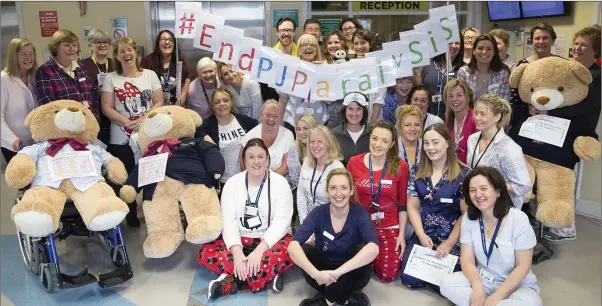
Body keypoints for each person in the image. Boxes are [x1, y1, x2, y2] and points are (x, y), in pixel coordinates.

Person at [197, 138, 294, 299]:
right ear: (244, 160)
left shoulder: (280, 183)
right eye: (251, 157)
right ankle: (268, 274)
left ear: (267, 159)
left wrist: (259, 251)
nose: (256, 162)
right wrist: (237, 253)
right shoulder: (232, 184)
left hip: (270, 242)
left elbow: (282, 221)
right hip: (240, 239)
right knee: (204, 252)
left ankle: (230, 281)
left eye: (261, 156)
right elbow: (228, 221)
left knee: (293, 249)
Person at [440, 166, 542, 306]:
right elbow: (467, 259)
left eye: (484, 188)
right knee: (447, 284)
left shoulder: (518, 219)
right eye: (473, 190)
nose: (478, 195)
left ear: (498, 192)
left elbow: (522, 267)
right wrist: (477, 288)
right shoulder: (468, 219)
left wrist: (496, 297)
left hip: (517, 287)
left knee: (531, 303)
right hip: (483, 281)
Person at [541, 25, 601, 242]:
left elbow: (580, 106)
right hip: (557, 132)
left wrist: (548, 108)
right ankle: (552, 218)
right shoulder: (571, 71)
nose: (577, 48)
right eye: (576, 43)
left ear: (596, 51)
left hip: (576, 135)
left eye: (584, 45)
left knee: (565, 180)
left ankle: (566, 227)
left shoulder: (596, 77)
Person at [288, 168, 379, 306]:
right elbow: (292, 246)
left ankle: (327, 300)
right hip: (321, 275)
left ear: (351, 191)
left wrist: (338, 273)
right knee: (305, 249)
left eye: (343, 188)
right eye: (333, 188)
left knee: (363, 249)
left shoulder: (359, 213)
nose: (338, 194)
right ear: (327, 191)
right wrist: (316, 274)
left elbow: (374, 248)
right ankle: (346, 298)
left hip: (350, 272)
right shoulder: (318, 213)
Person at [101, 37, 163, 227]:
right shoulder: (111, 78)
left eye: (130, 50)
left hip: (147, 136)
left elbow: (159, 102)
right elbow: (106, 107)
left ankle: (151, 212)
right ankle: (130, 213)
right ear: (117, 56)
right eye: (122, 51)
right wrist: (127, 121)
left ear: (136, 52)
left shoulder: (150, 75)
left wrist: (143, 120)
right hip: (120, 138)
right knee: (125, 178)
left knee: (150, 175)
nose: (126, 54)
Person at [400, 123, 469, 291]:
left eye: (435, 142)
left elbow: (466, 214)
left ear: (447, 143)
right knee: (410, 280)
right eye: (426, 143)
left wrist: (450, 243)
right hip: (425, 235)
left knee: (446, 287)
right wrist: (421, 234)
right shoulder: (416, 171)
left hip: (452, 238)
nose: (430, 148)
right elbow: (413, 206)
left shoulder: (464, 174)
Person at [347, 121, 410, 282]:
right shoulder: (354, 162)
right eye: (374, 138)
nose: (378, 144)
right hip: (361, 225)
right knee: (355, 271)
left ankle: (377, 255)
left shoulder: (400, 167)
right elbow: (346, 198)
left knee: (387, 275)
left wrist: (401, 235)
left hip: (388, 224)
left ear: (392, 144)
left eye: (384, 141)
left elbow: (403, 205)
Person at [467, 94, 531, 209]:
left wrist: (491, 186)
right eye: (476, 113)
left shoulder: (509, 148)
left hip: (501, 207)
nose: (477, 118)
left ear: (497, 117)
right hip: (477, 202)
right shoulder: (472, 139)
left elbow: (523, 186)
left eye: (483, 114)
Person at [196, 88, 258, 187]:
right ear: (212, 106)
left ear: (231, 103)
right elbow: (195, 131)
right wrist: (204, 136)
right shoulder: (208, 124)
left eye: (226, 100)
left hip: (246, 178)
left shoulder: (242, 120)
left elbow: (260, 127)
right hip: (223, 182)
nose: (222, 104)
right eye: (217, 102)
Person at [35, 30, 97, 119]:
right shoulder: (45, 71)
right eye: (67, 45)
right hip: (64, 127)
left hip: (88, 124)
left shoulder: (82, 68)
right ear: (56, 47)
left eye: (74, 45)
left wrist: (94, 120)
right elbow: (48, 105)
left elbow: (93, 96)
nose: (71, 49)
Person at [510, 23, 559, 124]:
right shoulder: (523, 65)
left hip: (554, 121)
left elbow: (567, 94)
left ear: (553, 41)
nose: (541, 42)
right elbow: (515, 98)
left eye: (545, 38)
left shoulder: (561, 65)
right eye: (537, 38)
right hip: (527, 120)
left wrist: (550, 110)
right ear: (532, 41)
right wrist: (527, 107)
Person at [297, 125, 345, 225]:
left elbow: (340, 203)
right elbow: (301, 195)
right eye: (312, 142)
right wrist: (304, 223)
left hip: (330, 222)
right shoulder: (306, 163)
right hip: (308, 220)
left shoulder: (337, 168)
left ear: (328, 144)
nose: (315, 146)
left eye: (320, 142)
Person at [279, 34, 328, 127]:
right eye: (304, 45)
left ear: (317, 50)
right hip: (292, 122)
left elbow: (330, 100)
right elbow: (283, 99)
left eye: (312, 45)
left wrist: (324, 71)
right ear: (299, 51)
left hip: (319, 123)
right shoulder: (290, 69)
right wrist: (279, 122)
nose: (308, 47)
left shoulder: (324, 69)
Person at [1, 38, 37, 163]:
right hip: (14, 144)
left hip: (35, 142)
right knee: (23, 181)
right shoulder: (4, 80)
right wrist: (12, 139)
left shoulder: (33, 77)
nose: (29, 58)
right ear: (13, 56)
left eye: (31, 54)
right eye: (24, 54)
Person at [241, 100, 295, 177]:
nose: (271, 119)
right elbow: (243, 165)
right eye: (268, 115)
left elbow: (286, 166)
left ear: (281, 118)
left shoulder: (288, 135)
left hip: (278, 182)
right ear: (261, 115)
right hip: (253, 181)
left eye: (276, 116)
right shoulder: (250, 135)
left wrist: (268, 181)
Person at [79, 28, 114, 145]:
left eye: (106, 42)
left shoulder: (116, 64)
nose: (103, 45)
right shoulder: (81, 66)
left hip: (114, 119)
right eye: (98, 42)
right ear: (90, 45)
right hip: (93, 119)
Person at [141, 30, 191, 106]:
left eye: (170, 40)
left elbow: (186, 82)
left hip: (175, 107)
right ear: (158, 43)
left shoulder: (179, 61)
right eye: (163, 39)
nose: (167, 42)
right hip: (154, 107)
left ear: (174, 44)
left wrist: (178, 105)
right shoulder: (148, 61)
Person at [421, 36, 465, 120]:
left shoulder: (464, 69)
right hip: (426, 116)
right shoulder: (428, 64)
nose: (453, 46)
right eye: (450, 43)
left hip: (451, 118)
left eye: (457, 43)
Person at [458, 34, 511, 102]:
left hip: (494, 112)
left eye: (489, 49)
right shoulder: (463, 72)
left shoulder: (503, 74)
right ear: (474, 51)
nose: (484, 52)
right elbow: (460, 101)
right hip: (468, 112)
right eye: (480, 48)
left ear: (494, 52)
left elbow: (503, 104)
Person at [352, 29, 386, 124]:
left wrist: (373, 121)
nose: (359, 47)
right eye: (356, 43)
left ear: (370, 44)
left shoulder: (379, 65)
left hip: (373, 117)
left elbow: (379, 97)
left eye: (363, 43)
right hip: (353, 119)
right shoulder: (349, 66)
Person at [332, 92, 372, 166]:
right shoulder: (334, 134)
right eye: (350, 109)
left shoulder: (374, 132)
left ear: (364, 111)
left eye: (358, 109)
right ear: (344, 111)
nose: (354, 113)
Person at [444, 79, 478, 164]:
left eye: (459, 95)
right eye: (451, 96)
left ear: (468, 97)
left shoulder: (476, 119)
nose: (454, 99)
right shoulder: (448, 120)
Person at [395, 105, 423, 196]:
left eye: (417, 125)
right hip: (398, 196)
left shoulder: (428, 147)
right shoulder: (392, 148)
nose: (412, 129)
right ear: (400, 126)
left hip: (422, 198)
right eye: (407, 125)